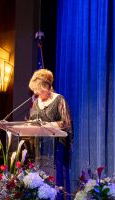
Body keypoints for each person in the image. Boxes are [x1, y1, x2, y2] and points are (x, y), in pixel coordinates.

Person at [28, 69, 73, 200]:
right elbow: (32, 122)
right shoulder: (36, 103)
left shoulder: (59, 99)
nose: (36, 93)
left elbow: (66, 122)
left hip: (57, 145)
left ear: (47, 87)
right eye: (35, 90)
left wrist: (49, 125)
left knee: (56, 175)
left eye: (38, 89)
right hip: (41, 146)